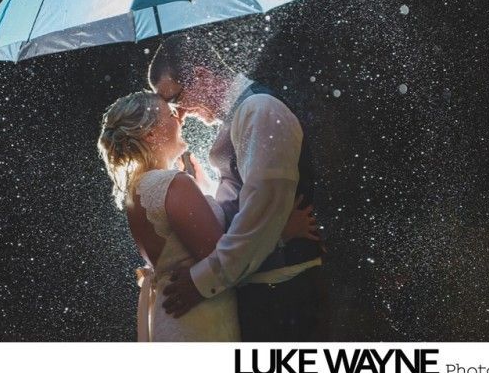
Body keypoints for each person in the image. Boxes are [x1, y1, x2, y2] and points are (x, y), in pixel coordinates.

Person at [96, 91, 318, 341]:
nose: (180, 117)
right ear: (150, 134)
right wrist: (282, 233)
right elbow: (225, 259)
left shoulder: (138, 189)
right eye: (170, 113)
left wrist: (202, 188)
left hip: (172, 317)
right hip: (200, 321)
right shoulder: (174, 184)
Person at [148, 35, 328, 341]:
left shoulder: (259, 110)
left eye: (175, 99)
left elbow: (261, 217)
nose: (178, 113)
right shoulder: (239, 117)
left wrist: (202, 282)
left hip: (281, 295)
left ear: (202, 76)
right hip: (264, 293)